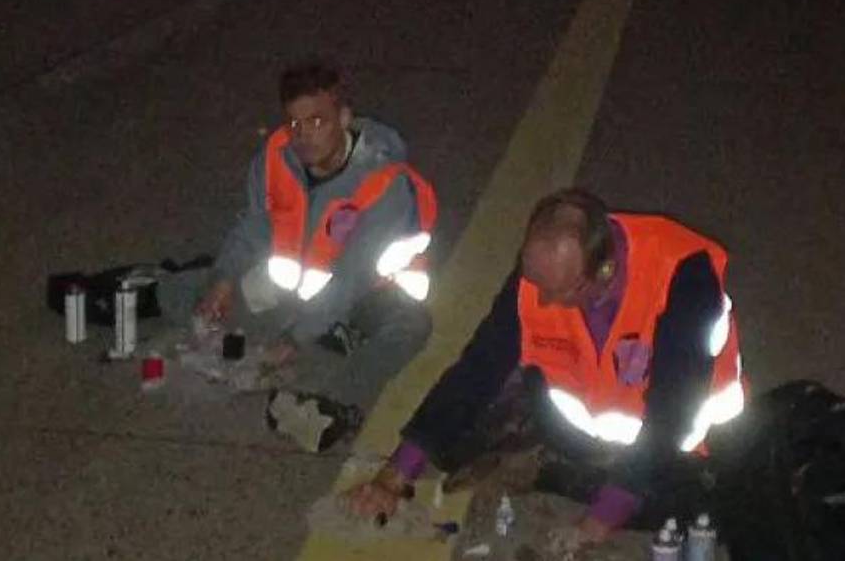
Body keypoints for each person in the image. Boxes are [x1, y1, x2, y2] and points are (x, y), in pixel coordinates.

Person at [343, 188, 747, 551]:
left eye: (561, 292)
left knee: (701, 506)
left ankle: (574, 476)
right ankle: (557, 464)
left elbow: (671, 415)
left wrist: (600, 519)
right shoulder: (540, 276)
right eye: (537, 285)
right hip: (582, 432)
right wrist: (395, 474)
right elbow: (479, 366)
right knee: (453, 438)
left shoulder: (685, 278)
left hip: (674, 448)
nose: (545, 302)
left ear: (604, 270)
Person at [191, 63, 438, 453]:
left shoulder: (383, 182)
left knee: (410, 325)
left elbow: (351, 280)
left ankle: (334, 402)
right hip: (302, 287)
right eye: (295, 124)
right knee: (203, 287)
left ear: (344, 118)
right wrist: (222, 280)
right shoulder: (276, 157)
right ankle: (144, 292)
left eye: (317, 121)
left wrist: (293, 339)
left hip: (366, 298)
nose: (303, 136)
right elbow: (254, 226)